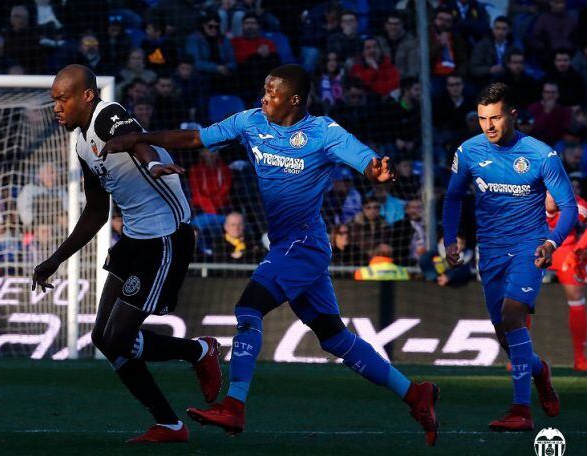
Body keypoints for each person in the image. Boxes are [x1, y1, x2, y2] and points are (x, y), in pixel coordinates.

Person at [102, 64, 440, 446]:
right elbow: (195, 137)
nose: (264, 97)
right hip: (288, 246)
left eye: (272, 92)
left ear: (294, 99)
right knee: (334, 338)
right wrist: (138, 138)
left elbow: (364, 159)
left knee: (248, 309)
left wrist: (375, 170)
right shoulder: (250, 122)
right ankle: (415, 393)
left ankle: (235, 404)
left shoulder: (323, 132)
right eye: (264, 89)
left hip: (304, 244)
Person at [31, 65, 221, 444]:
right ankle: (169, 425)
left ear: (86, 95)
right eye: (54, 100)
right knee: (103, 338)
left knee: (118, 337)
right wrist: (54, 259)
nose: (56, 106)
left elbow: (135, 139)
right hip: (134, 238)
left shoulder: (108, 114)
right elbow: (97, 211)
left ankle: (199, 351)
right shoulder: (81, 142)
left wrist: (152, 162)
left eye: (62, 98)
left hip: (167, 236)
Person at [443, 82, 570, 431]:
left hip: (530, 246)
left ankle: (520, 411)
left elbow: (570, 207)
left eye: (495, 117)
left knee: (513, 316)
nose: (488, 125)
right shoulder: (468, 151)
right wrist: (450, 237)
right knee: (504, 336)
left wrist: (552, 242)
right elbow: (453, 197)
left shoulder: (541, 155)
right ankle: (540, 372)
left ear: (513, 114)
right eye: (483, 118)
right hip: (490, 251)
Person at [545, 192, 587, 371]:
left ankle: (580, 358)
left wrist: (579, 249)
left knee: (576, 299)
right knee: (520, 300)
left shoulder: (577, 203)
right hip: (534, 248)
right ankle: (518, 356)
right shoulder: (527, 195)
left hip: (565, 250)